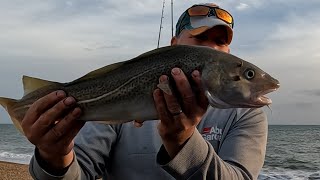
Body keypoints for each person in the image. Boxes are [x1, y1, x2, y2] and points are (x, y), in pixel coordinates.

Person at [24, 3, 267, 180]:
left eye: (220, 42)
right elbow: (79, 174)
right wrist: (54, 155)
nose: (212, 48)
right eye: (200, 39)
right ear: (174, 46)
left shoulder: (245, 113)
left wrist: (182, 140)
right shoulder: (117, 110)